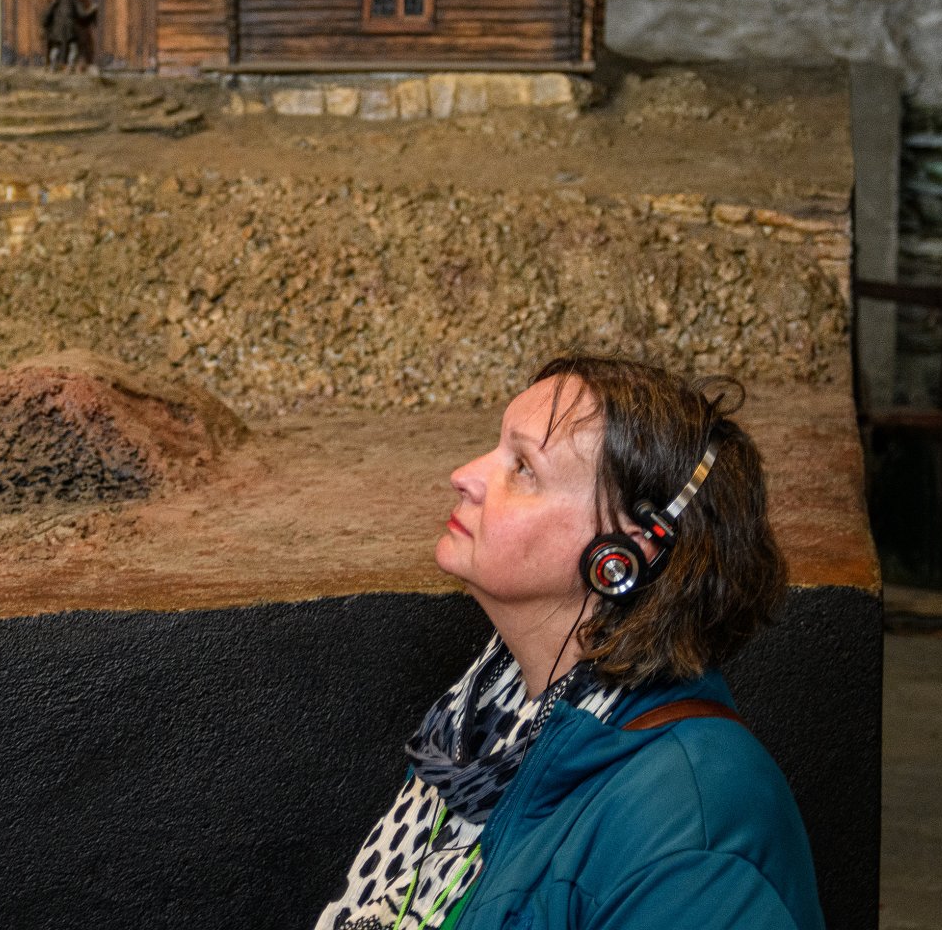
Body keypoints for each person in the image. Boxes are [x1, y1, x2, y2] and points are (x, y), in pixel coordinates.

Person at [312, 356, 821, 930]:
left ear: (620, 555)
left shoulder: (694, 830)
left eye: (523, 468)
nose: (464, 475)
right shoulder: (471, 735)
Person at [41, 0, 97, 72]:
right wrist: (92, 10)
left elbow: (48, 11)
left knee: (56, 46)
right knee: (73, 48)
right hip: (70, 29)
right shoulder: (75, 0)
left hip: (57, 29)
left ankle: (53, 66)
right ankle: (70, 67)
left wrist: (45, 23)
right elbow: (82, 14)